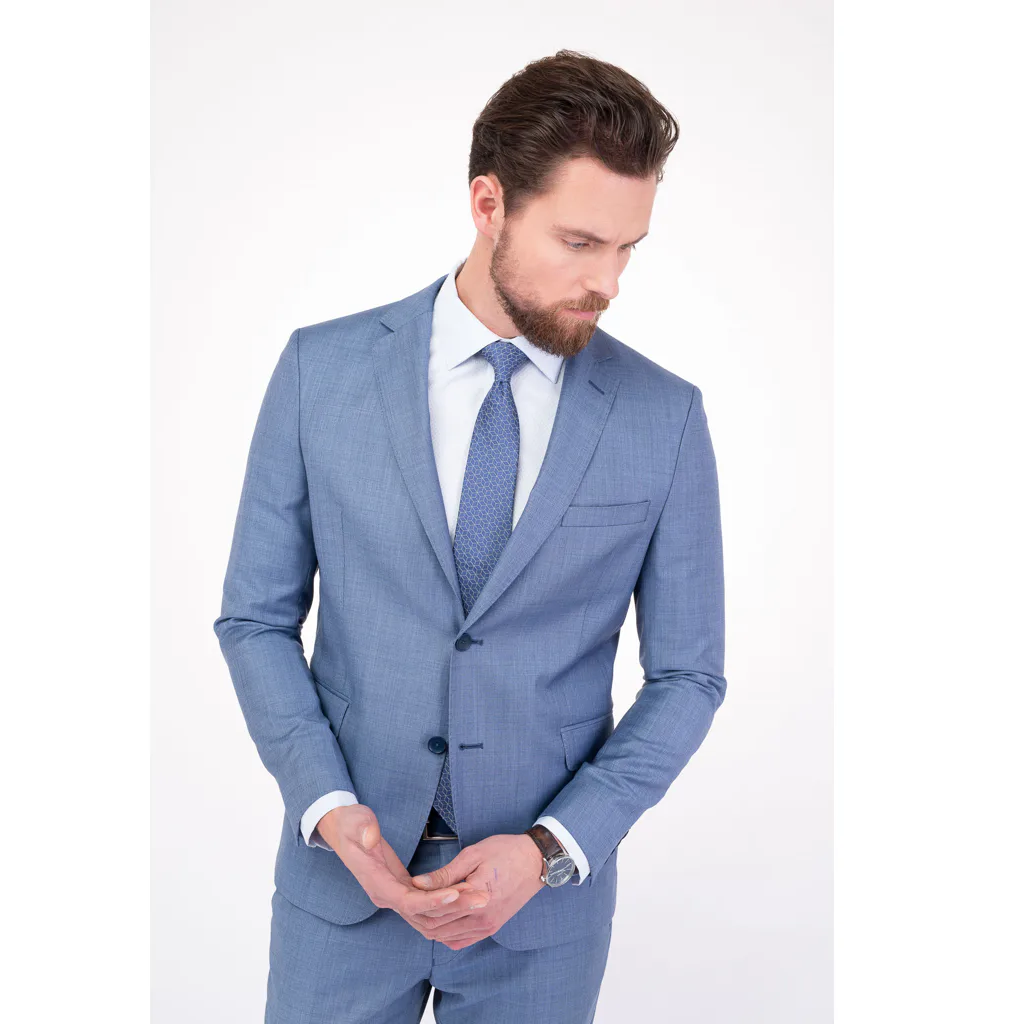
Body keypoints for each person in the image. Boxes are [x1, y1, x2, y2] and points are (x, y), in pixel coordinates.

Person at [213, 49, 726, 1023]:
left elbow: (688, 676)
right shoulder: (321, 373)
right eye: (579, 242)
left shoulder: (664, 417)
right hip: (340, 891)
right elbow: (255, 620)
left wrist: (551, 848)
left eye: (628, 248)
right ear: (489, 203)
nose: (608, 282)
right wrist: (328, 807)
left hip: (542, 917)